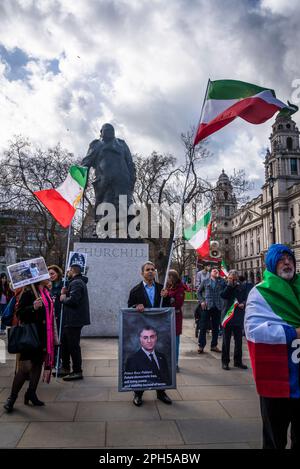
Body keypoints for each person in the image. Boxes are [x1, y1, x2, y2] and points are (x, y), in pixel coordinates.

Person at [245, 244, 300, 449]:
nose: (287, 262)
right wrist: (294, 332)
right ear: (271, 263)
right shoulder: (259, 293)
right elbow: (254, 331)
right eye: (281, 258)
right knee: (274, 440)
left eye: (290, 258)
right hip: (277, 379)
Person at [3, 280, 55, 413]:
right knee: (24, 368)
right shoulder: (28, 293)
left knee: (37, 364)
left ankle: (31, 393)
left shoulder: (45, 292)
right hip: (30, 335)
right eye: (46, 276)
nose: (48, 277)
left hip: (43, 335)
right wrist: (33, 307)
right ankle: (12, 398)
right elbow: (20, 313)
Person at [128, 261, 172, 406]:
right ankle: (138, 393)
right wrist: (136, 306)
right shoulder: (135, 290)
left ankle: (161, 392)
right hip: (143, 331)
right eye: (148, 270)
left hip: (159, 331)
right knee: (141, 362)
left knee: (160, 360)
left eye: (153, 269)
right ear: (142, 273)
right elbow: (129, 308)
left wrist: (166, 297)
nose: (151, 272)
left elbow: (168, 309)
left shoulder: (162, 289)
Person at [82, 123, 136, 220]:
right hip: (104, 183)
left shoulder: (122, 144)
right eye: (106, 130)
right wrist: (82, 180)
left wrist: (132, 180)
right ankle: (99, 229)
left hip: (122, 182)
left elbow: (130, 164)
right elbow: (86, 163)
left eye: (111, 130)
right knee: (104, 210)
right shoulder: (96, 145)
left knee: (127, 210)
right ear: (101, 132)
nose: (109, 132)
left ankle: (130, 232)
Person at [59, 263, 90, 381]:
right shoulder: (75, 282)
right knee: (65, 344)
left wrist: (63, 298)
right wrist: (66, 292)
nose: (67, 272)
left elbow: (74, 301)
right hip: (71, 319)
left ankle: (77, 371)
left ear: (73, 270)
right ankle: (66, 368)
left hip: (74, 320)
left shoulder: (76, 282)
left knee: (73, 346)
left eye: (68, 270)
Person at [220, 269, 251, 370]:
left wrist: (244, 303)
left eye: (234, 277)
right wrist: (229, 285)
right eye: (231, 277)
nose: (233, 279)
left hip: (238, 316)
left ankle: (238, 361)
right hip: (228, 317)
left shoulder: (242, 286)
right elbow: (223, 295)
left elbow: (247, 298)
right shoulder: (225, 285)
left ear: (237, 277)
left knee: (238, 341)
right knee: (226, 341)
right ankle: (225, 362)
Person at [197, 268, 226, 353]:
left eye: (217, 270)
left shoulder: (221, 281)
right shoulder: (205, 281)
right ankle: (201, 346)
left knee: (215, 327)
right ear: (210, 273)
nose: (216, 271)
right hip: (207, 306)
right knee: (203, 326)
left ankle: (214, 345)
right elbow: (198, 292)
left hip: (217, 307)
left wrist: (221, 278)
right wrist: (202, 301)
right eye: (214, 270)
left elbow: (227, 288)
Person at [164, 269, 185, 372]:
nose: (167, 279)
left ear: (173, 277)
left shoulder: (180, 289)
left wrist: (168, 297)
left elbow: (178, 304)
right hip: (167, 317)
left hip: (175, 317)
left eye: (169, 277)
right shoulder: (168, 287)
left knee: (175, 342)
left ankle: (175, 363)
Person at [48, 265, 64, 372]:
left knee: (59, 339)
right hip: (49, 317)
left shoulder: (63, 285)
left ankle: (59, 362)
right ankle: (51, 361)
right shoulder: (47, 286)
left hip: (59, 316)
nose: (50, 276)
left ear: (58, 273)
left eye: (52, 273)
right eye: (49, 274)